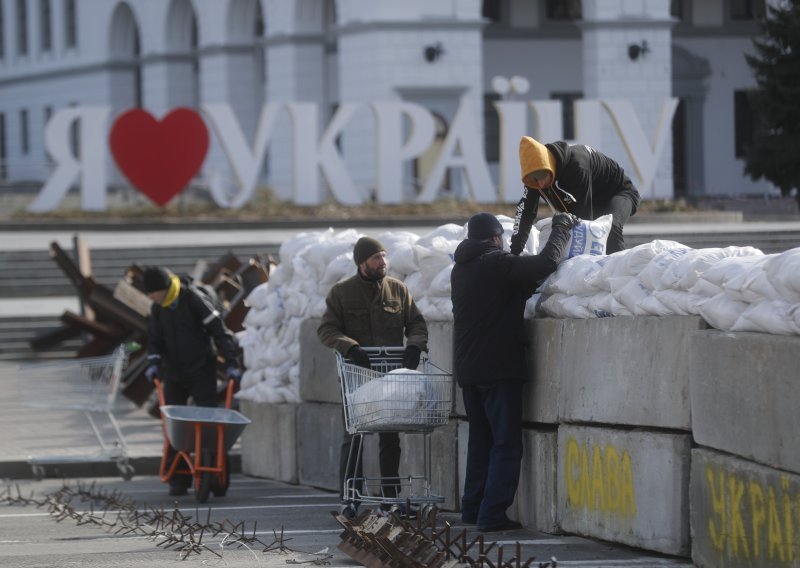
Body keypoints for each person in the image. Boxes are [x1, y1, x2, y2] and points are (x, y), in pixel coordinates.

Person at [451, 211, 579, 532]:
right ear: (495, 238)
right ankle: (492, 514)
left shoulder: (461, 270)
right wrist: (561, 227)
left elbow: (505, 292)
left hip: (470, 370)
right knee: (506, 443)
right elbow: (546, 263)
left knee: (480, 441)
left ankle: (472, 507)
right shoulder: (497, 264)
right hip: (498, 368)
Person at [317, 236, 428, 518]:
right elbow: (327, 330)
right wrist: (350, 347)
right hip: (357, 376)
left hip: (389, 378)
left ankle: (390, 497)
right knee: (354, 435)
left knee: (390, 437)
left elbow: (416, 323)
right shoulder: (342, 293)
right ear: (362, 262)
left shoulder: (397, 290)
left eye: (384, 256)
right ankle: (350, 497)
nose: (384, 263)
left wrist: (414, 345)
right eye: (377, 258)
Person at [142, 266, 241, 496]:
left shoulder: (193, 299)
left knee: (209, 424)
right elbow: (155, 339)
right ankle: (179, 477)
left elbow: (220, 332)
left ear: (165, 288)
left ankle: (216, 474)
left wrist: (231, 363)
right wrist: (154, 362)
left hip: (200, 370)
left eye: (153, 292)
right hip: (173, 373)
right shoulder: (158, 308)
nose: (150, 297)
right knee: (174, 426)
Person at [511, 136, 640, 255]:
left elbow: (584, 224)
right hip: (592, 199)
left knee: (609, 229)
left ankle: (620, 274)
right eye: (534, 179)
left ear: (550, 164)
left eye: (542, 176)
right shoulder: (534, 178)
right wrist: (514, 253)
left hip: (620, 192)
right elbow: (525, 214)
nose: (540, 183)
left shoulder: (577, 166)